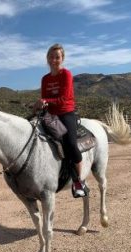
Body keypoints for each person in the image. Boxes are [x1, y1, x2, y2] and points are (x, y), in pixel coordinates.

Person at [33, 43, 86, 198]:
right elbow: (44, 98)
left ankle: (78, 181)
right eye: (51, 56)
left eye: (57, 57)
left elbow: (63, 98)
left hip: (65, 113)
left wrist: (45, 101)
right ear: (47, 59)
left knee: (70, 143)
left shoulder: (66, 74)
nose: (54, 60)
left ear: (62, 58)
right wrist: (40, 105)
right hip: (50, 114)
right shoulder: (45, 79)